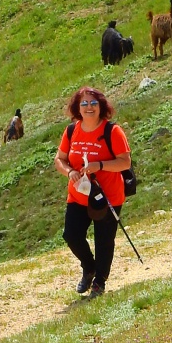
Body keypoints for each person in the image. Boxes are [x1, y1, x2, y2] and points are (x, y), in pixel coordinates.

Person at [54, 86, 132, 298]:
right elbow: (59, 159)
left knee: (104, 240)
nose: (89, 107)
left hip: (107, 196)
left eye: (93, 103)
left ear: (101, 106)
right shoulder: (71, 131)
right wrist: (69, 171)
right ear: (77, 108)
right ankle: (89, 268)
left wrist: (99, 166)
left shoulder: (112, 131)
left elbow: (125, 162)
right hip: (78, 195)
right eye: (84, 103)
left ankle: (100, 281)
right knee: (71, 235)